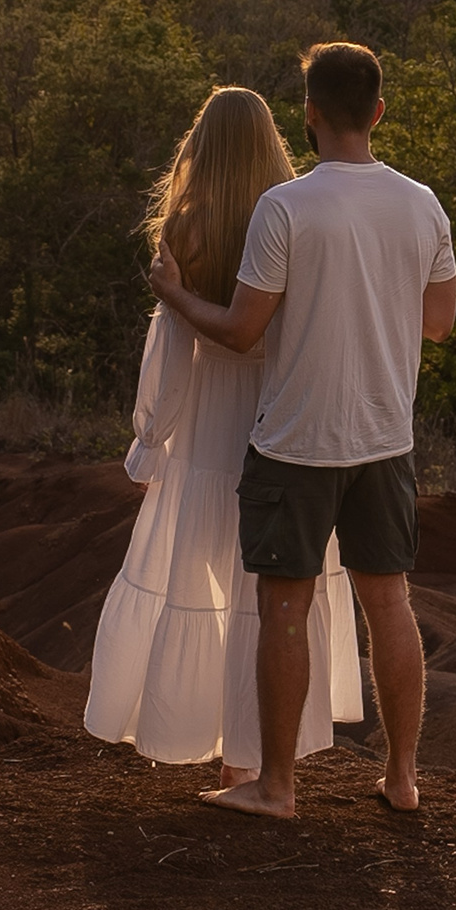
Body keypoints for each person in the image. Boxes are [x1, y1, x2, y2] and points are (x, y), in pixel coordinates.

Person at [150, 42, 456, 818]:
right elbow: (440, 324)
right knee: (390, 604)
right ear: (378, 112)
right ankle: (402, 778)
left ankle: (277, 786)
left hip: (295, 441)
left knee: (283, 609)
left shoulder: (285, 208)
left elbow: (242, 332)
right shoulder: (423, 204)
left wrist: (177, 296)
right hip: (386, 438)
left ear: (311, 114)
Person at [85, 88, 364, 781]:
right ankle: (249, 762)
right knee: (264, 602)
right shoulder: (296, 217)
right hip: (278, 421)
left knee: (210, 592)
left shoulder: (190, 228)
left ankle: (218, 748)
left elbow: (172, 350)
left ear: (201, 144)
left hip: (209, 430)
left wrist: (152, 441)